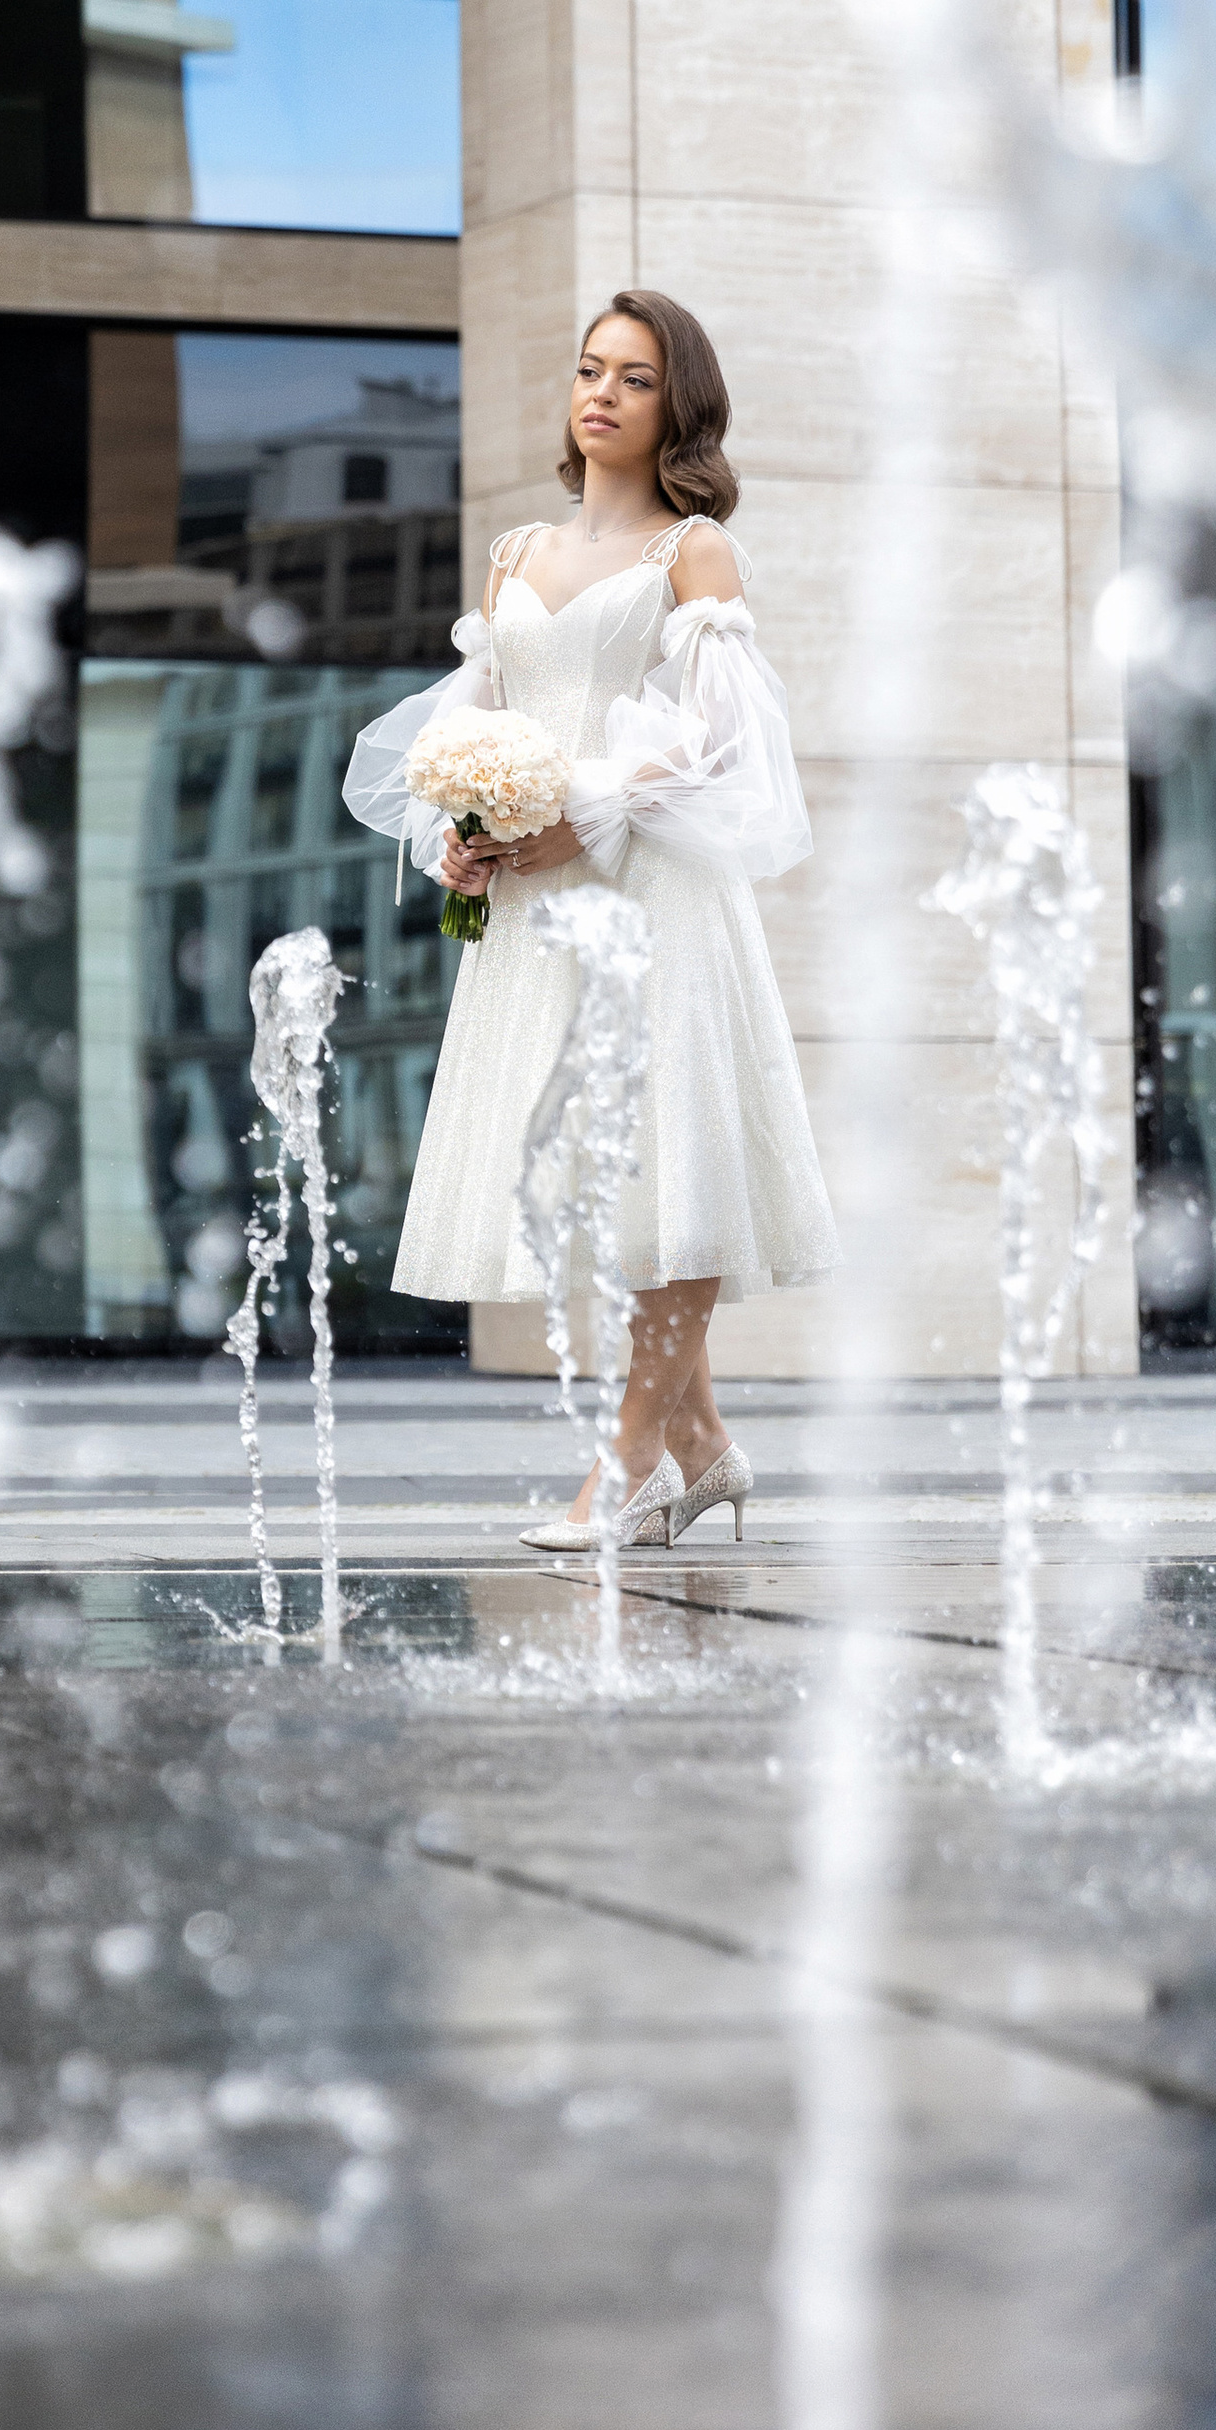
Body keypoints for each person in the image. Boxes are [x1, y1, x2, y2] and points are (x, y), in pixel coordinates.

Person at [343, 291, 836, 1549]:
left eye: (633, 376)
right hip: (537, 903)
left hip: (653, 895)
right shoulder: (513, 557)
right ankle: (707, 1448)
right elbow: (478, 722)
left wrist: (589, 812)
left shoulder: (694, 554)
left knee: (671, 1168)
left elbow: (728, 752)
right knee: (600, 1181)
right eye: (588, 370)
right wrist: (462, 832)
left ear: (677, 405)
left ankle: (628, 1471)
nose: (602, 392)